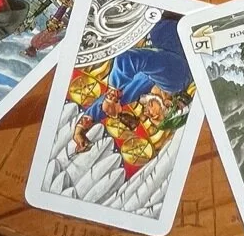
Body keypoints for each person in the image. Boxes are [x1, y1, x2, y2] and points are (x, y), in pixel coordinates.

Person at [71, 18, 194, 154]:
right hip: (157, 15)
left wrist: (81, 129)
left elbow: (122, 97)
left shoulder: (157, 85)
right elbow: (128, 59)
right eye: (154, 116)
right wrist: (112, 94)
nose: (146, 113)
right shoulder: (175, 80)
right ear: (168, 104)